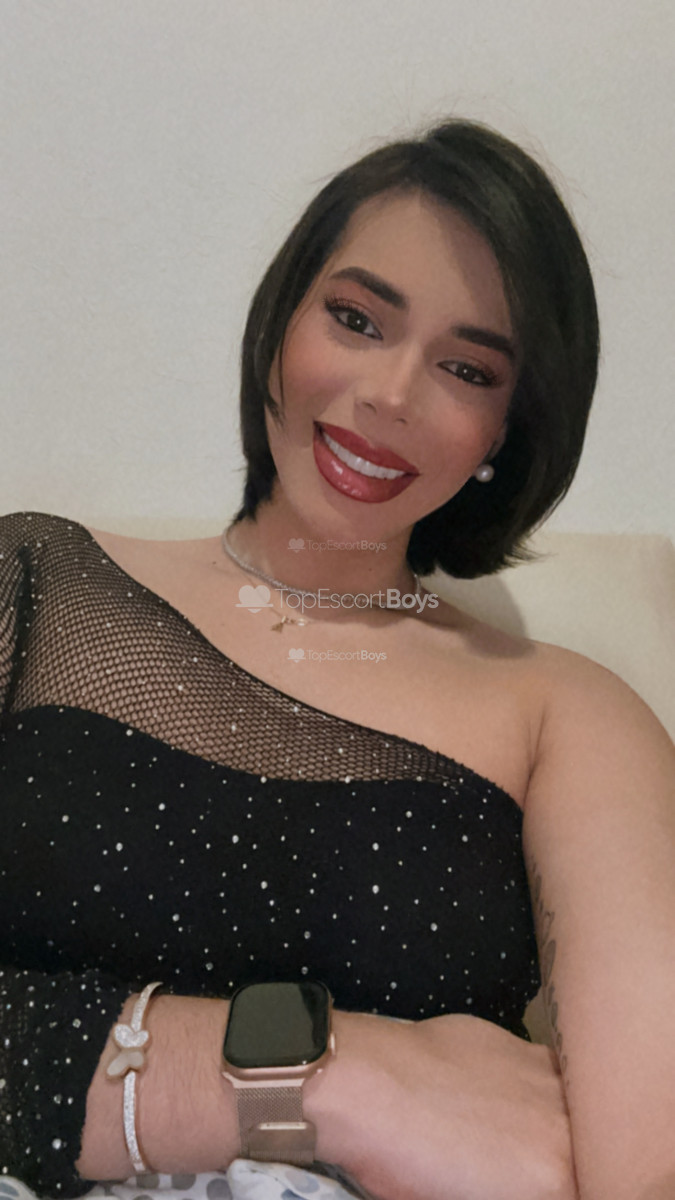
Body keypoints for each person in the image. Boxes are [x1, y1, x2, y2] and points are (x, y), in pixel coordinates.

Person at [1, 117, 674, 1200]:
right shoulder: (32, 588)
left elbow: (641, 1164)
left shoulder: (569, 715)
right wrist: (344, 1079)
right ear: (281, 322)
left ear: (507, 432)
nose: (393, 394)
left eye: (466, 368)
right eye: (357, 319)